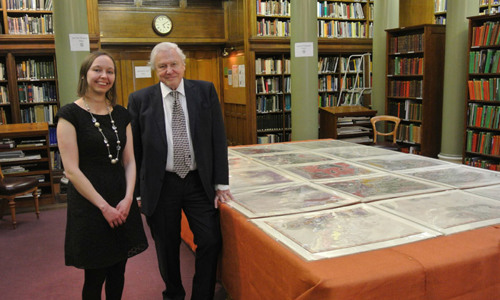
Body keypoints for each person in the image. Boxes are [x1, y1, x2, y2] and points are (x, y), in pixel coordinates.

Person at [128, 42, 233, 300]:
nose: (169, 70)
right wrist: (138, 192)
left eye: (174, 64)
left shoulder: (205, 91)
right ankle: (173, 294)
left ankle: (202, 295)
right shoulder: (139, 100)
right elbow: (135, 151)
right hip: (162, 185)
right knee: (166, 246)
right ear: (155, 70)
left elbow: (218, 139)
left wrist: (221, 183)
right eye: (162, 66)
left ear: (184, 66)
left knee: (210, 240)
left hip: (199, 182)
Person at [56, 51, 148, 300]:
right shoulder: (69, 115)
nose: (104, 76)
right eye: (97, 69)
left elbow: (129, 161)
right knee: (95, 276)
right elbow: (71, 170)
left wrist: (129, 197)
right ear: (85, 74)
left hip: (121, 199)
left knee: (119, 269)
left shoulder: (121, 114)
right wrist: (104, 207)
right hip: (90, 204)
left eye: (110, 71)